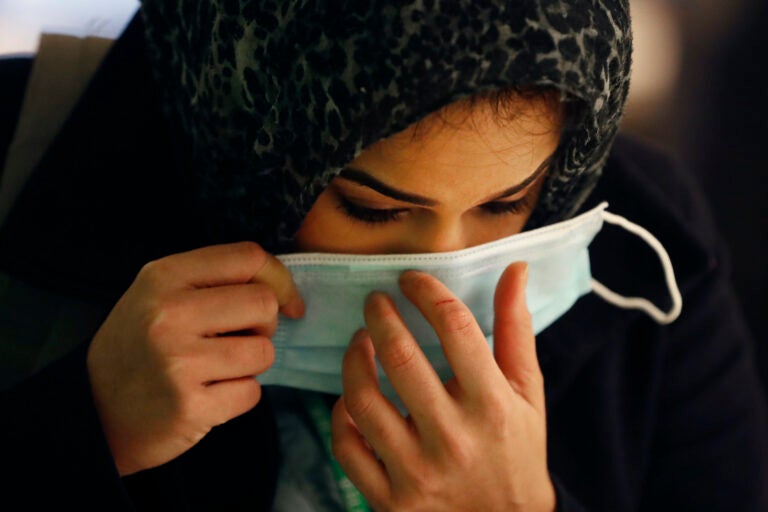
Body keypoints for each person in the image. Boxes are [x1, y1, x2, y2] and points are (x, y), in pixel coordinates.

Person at [1, 1, 766, 511]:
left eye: (506, 204)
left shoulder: (649, 240)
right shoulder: (23, 156)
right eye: (372, 209)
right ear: (242, 132)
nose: (438, 273)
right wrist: (80, 428)